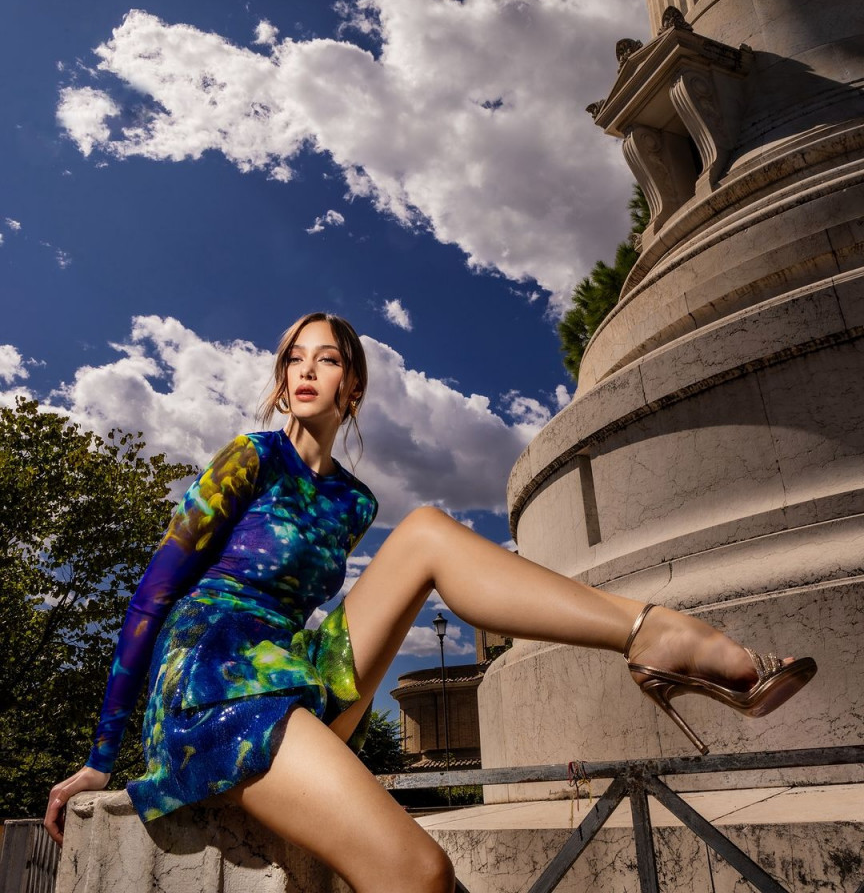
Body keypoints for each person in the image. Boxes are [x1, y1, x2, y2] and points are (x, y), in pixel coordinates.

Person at [44, 312, 816, 893]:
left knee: (423, 533)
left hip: (292, 667)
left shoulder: (354, 503)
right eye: (293, 358)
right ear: (280, 380)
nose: (306, 370)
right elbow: (151, 597)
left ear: (352, 386)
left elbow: (343, 620)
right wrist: (99, 758)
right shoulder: (251, 457)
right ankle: (666, 637)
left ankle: (651, 632)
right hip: (214, 675)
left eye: (327, 359)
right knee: (420, 874)